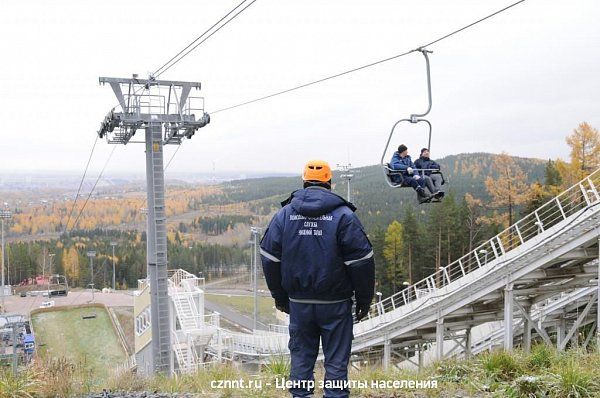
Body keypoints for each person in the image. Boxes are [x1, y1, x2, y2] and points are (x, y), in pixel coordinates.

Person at [260, 160, 375, 398]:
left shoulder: (284, 215)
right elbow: (362, 261)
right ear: (329, 183)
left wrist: (281, 298)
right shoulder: (344, 216)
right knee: (335, 365)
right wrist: (364, 299)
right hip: (336, 305)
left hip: (300, 305)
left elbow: (270, 258)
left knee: (301, 362)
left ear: (304, 182)